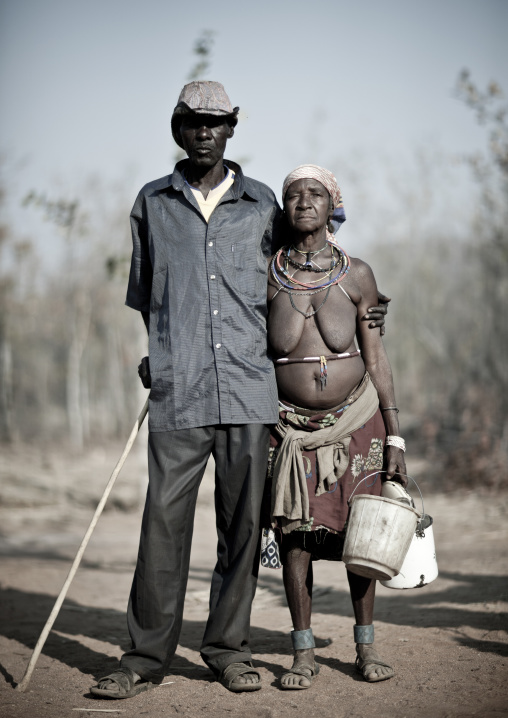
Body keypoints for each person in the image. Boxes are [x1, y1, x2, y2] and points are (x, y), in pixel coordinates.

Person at [91, 82, 388, 699]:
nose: (205, 131)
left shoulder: (262, 208)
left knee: (243, 527)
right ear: (178, 129)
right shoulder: (152, 204)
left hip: (252, 393)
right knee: (162, 526)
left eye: (216, 122)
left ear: (231, 130)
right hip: (180, 391)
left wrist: (366, 310)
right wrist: (160, 355)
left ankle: (227, 648)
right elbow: (148, 297)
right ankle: (145, 657)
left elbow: (302, 270)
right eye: (193, 122)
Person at [266, 164, 406, 689]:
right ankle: (303, 654)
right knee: (296, 539)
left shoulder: (358, 275)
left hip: (358, 420)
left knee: (361, 537)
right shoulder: (266, 274)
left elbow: (377, 355)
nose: (304, 201)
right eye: (294, 195)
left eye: (315, 193)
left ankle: (365, 649)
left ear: (333, 207)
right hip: (290, 429)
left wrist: (395, 434)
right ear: (285, 210)